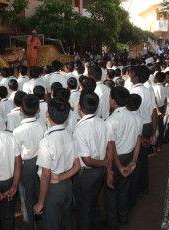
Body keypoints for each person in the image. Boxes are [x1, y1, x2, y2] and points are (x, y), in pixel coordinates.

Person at [33, 97, 80, 230]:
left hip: (52, 189)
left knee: (52, 223)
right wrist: (61, 177)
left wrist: (40, 203)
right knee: (66, 221)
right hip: (67, 185)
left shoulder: (46, 142)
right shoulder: (71, 136)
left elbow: (46, 176)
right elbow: (77, 165)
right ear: (67, 117)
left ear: (47, 114)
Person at [72, 92, 111, 230]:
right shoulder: (103, 122)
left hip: (86, 173)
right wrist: (106, 165)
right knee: (93, 201)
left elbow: (87, 160)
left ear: (79, 106)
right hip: (98, 171)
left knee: (83, 208)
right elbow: (109, 146)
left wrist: (105, 163)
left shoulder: (80, 129)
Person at [105, 86, 141, 230]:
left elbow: (111, 147)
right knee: (125, 190)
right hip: (129, 157)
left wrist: (118, 167)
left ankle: (113, 223)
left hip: (115, 160)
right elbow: (138, 140)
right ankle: (124, 218)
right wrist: (134, 161)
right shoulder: (135, 117)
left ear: (113, 101)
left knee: (112, 192)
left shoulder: (110, 121)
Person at [13, 94, 45, 230]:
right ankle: (42, 223)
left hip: (25, 166)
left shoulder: (17, 131)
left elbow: (16, 154)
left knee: (25, 198)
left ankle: (28, 226)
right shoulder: (42, 126)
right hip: (41, 162)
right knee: (40, 195)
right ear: (38, 110)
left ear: (20, 109)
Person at [130, 65, 157, 196]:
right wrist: (153, 133)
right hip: (147, 126)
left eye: (132, 73)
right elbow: (154, 113)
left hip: (138, 128)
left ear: (137, 77)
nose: (130, 75)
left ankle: (137, 189)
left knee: (135, 159)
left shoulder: (132, 91)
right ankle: (144, 186)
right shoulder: (149, 91)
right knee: (143, 159)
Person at [153, 72, 167, 148]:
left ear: (157, 79)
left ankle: (156, 144)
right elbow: (165, 99)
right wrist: (164, 109)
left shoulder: (154, 88)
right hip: (162, 107)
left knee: (156, 127)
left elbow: (154, 100)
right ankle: (160, 143)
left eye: (155, 77)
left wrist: (157, 111)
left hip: (157, 108)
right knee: (161, 125)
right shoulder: (163, 87)